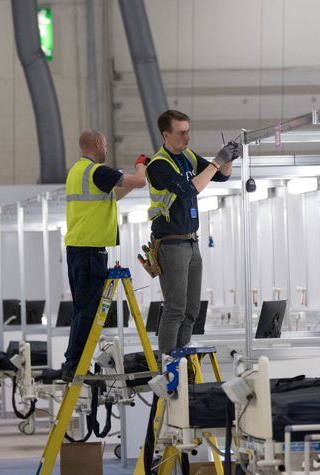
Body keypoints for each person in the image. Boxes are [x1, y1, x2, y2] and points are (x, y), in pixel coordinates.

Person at [146, 110, 240, 356]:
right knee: (175, 309)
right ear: (166, 135)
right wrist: (217, 161)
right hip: (171, 244)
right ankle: (168, 364)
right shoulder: (158, 165)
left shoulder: (187, 156)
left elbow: (221, 176)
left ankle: (183, 360)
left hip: (191, 242)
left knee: (191, 311)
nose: (187, 137)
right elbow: (189, 190)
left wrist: (228, 158)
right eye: (181, 133)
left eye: (188, 131)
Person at [63, 130, 148, 381]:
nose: (107, 150)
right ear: (97, 143)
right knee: (89, 309)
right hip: (91, 249)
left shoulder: (77, 172)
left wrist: (129, 181)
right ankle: (74, 364)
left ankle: (73, 361)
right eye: (106, 145)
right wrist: (141, 165)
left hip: (78, 247)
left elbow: (113, 195)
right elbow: (140, 181)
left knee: (82, 308)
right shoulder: (96, 171)